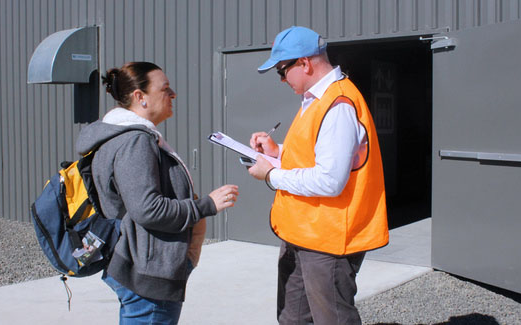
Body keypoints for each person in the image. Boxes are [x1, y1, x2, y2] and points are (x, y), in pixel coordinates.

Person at [76, 61, 239, 324]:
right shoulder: (134, 142)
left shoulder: (123, 136)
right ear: (140, 97)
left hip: (140, 263)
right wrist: (206, 205)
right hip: (147, 274)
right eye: (165, 89)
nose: (173, 94)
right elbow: (148, 209)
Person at [247, 26, 389, 324]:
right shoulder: (316, 100)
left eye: (281, 72)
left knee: (332, 320)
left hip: (328, 241)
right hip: (304, 232)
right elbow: (316, 155)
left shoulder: (338, 104)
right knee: (293, 318)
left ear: (305, 63)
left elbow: (330, 180)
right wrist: (278, 151)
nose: (282, 80)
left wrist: (271, 175)